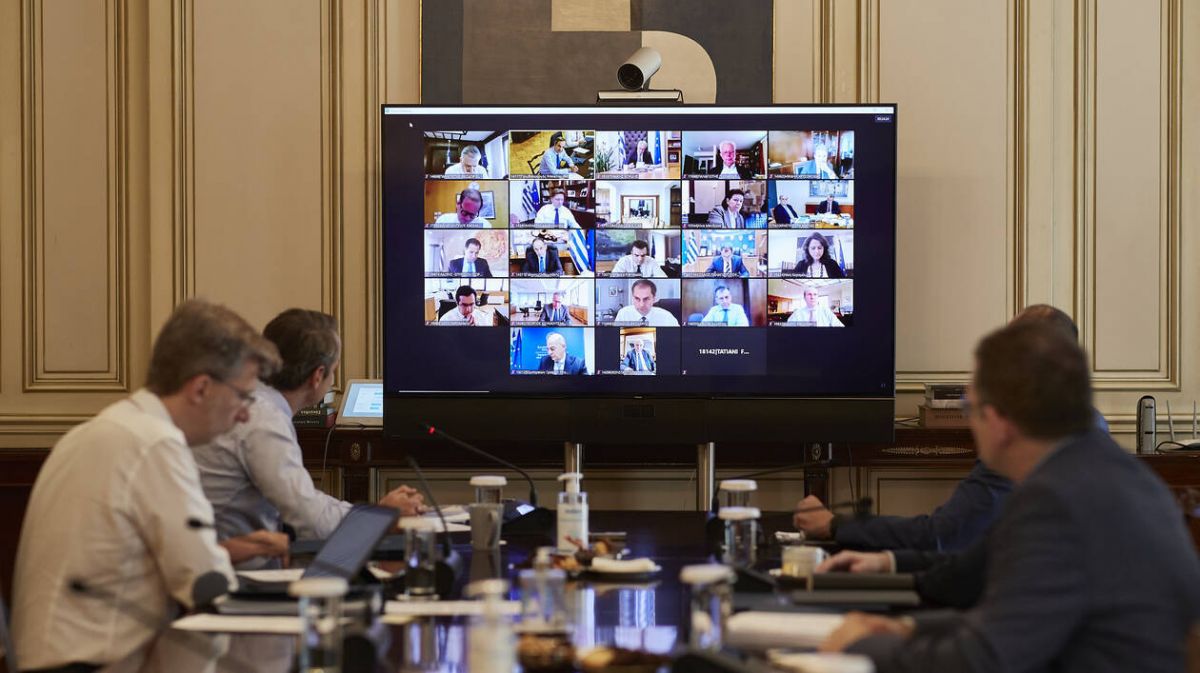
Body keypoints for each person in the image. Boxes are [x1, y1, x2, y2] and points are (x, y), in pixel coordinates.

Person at [818, 322, 1200, 672]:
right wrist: (907, 627)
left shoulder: (1055, 500)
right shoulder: (1111, 472)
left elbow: (982, 661)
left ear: (999, 421)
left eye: (969, 408)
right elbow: (1007, 612)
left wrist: (861, 645)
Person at [11, 300, 287, 672]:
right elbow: (206, 582)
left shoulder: (103, 429)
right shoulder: (154, 443)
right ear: (201, 388)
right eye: (243, 395)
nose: (244, 413)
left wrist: (234, 549)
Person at [793, 304, 1103, 553]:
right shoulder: (1089, 424)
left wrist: (835, 525)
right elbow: (979, 555)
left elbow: (943, 536)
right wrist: (890, 565)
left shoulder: (1020, 438)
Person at [194, 309, 425, 567]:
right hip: (233, 575)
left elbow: (304, 504)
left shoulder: (255, 403)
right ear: (317, 377)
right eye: (334, 371)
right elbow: (309, 519)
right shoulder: (263, 418)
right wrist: (382, 515)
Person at [614, 279, 679, 326]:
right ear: (632, 298)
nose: (641, 305)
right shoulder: (623, 314)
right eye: (637, 299)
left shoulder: (667, 317)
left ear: (654, 299)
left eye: (646, 299)